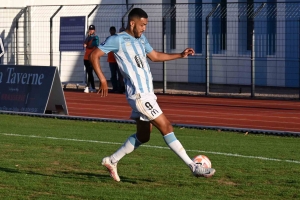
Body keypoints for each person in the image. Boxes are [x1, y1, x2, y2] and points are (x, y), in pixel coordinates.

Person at [90, 8, 216, 182]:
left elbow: (155, 56)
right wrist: (103, 80)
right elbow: (94, 55)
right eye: (142, 25)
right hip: (140, 96)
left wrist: (180, 54)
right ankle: (194, 167)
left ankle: (111, 160)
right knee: (167, 127)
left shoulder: (141, 39)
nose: (144, 28)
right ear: (132, 23)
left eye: (146, 25)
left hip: (147, 94)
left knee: (144, 136)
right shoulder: (117, 40)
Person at [107, 26, 125, 93]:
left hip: (118, 59)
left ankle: (120, 88)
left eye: (113, 30)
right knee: (113, 75)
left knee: (120, 75)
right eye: (111, 30)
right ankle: (115, 88)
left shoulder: (117, 38)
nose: (112, 32)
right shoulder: (108, 38)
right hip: (111, 60)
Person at [83, 24, 99, 93]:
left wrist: (87, 45)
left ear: (94, 30)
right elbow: (84, 44)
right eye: (90, 29)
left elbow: (95, 44)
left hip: (92, 58)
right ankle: (93, 87)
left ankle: (87, 86)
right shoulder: (88, 37)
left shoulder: (96, 37)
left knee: (89, 71)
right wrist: (88, 37)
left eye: (92, 29)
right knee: (89, 72)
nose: (91, 31)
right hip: (86, 57)